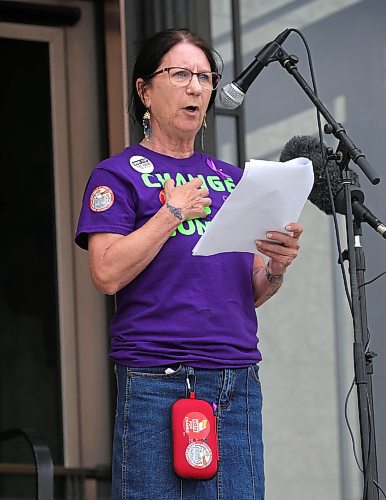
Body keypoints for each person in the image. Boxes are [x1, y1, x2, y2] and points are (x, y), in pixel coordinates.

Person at [75, 27, 303, 500]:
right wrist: (171, 213)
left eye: (205, 77)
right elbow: (106, 273)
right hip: (157, 378)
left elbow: (248, 290)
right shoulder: (116, 175)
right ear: (144, 90)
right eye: (180, 74)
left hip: (236, 378)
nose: (196, 88)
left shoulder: (233, 179)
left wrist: (275, 267)